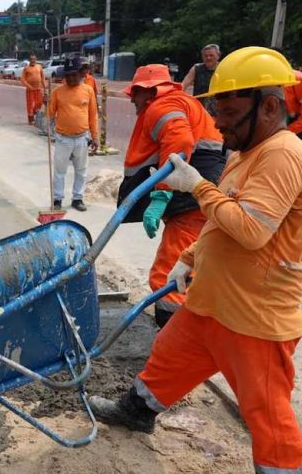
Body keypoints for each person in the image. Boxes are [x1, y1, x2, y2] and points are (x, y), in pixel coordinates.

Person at [90, 47, 302, 474]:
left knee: (266, 413)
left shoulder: (282, 154)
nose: (218, 122)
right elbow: (218, 221)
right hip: (215, 300)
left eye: (228, 112)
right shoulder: (244, 152)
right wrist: (188, 257)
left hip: (254, 316)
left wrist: (200, 187)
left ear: (270, 107)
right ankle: (138, 411)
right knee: (169, 354)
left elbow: (250, 229)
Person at [117, 64, 226, 328]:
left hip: (192, 200)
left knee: (170, 271)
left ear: (149, 90)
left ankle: (173, 337)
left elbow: (180, 142)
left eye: (136, 92)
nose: (132, 98)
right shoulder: (181, 102)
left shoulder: (162, 106)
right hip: (199, 195)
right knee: (193, 266)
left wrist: (161, 195)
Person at [47, 56, 99, 212]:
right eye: (68, 75)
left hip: (82, 138)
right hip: (63, 138)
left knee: (81, 170)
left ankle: (77, 198)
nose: (70, 78)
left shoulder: (88, 91)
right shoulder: (57, 92)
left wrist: (95, 137)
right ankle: (57, 199)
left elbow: (93, 115)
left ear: (80, 74)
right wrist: (45, 103)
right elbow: (49, 114)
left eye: (74, 75)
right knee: (59, 171)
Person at [181, 43, 221, 116]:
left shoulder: (223, 68)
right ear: (202, 57)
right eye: (206, 56)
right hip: (199, 110)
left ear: (218, 56)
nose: (208, 58)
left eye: (211, 55)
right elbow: (183, 85)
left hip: (219, 110)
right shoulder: (196, 68)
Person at [21, 53, 48, 125]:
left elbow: (42, 77)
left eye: (34, 59)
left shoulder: (39, 67)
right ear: (29, 60)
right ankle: (31, 120)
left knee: (39, 103)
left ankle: (34, 113)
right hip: (30, 90)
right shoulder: (26, 68)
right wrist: (29, 86)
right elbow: (23, 80)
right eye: (31, 59)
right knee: (30, 104)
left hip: (39, 89)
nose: (33, 60)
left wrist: (44, 85)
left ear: (36, 60)